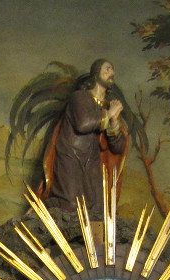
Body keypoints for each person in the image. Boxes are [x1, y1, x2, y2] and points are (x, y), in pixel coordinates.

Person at [41, 59, 128, 221]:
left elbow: (118, 148)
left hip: (92, 162)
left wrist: (114, 121)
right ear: (95, 73)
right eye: (107, 69)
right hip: (71, 158)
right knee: (70, 205)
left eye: (112, 70)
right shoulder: (80, 97)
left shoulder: (108, 107)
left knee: (97, 209)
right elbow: (83, 124)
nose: (112, 73)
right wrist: (109, 115)